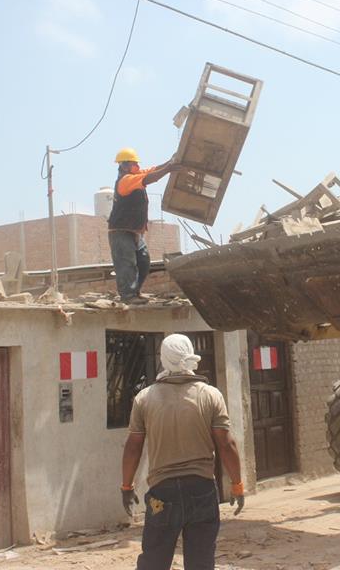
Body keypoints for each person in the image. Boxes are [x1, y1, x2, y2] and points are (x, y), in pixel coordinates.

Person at [121, 334, 245, 570]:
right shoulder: (210, 395)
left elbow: (133, 447)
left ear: (163, 359)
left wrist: (126, 487)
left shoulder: (144, 398)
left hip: (162, 495)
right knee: (201, 562)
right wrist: (237, 485)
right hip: (202, 490)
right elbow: (226, 445)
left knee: (154, 562)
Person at [108, 148, 177, 303]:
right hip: (121, 231)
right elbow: (149, 178)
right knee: (126, 264)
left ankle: (135, 292)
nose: (138, 166)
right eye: (134, 164)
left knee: (144, 262)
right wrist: (168, 169)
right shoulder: (125, 180)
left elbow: (152, 170)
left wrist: (169, 162)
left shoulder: (134, 175)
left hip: (135, 232)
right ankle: (128, 295)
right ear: (125, 166)